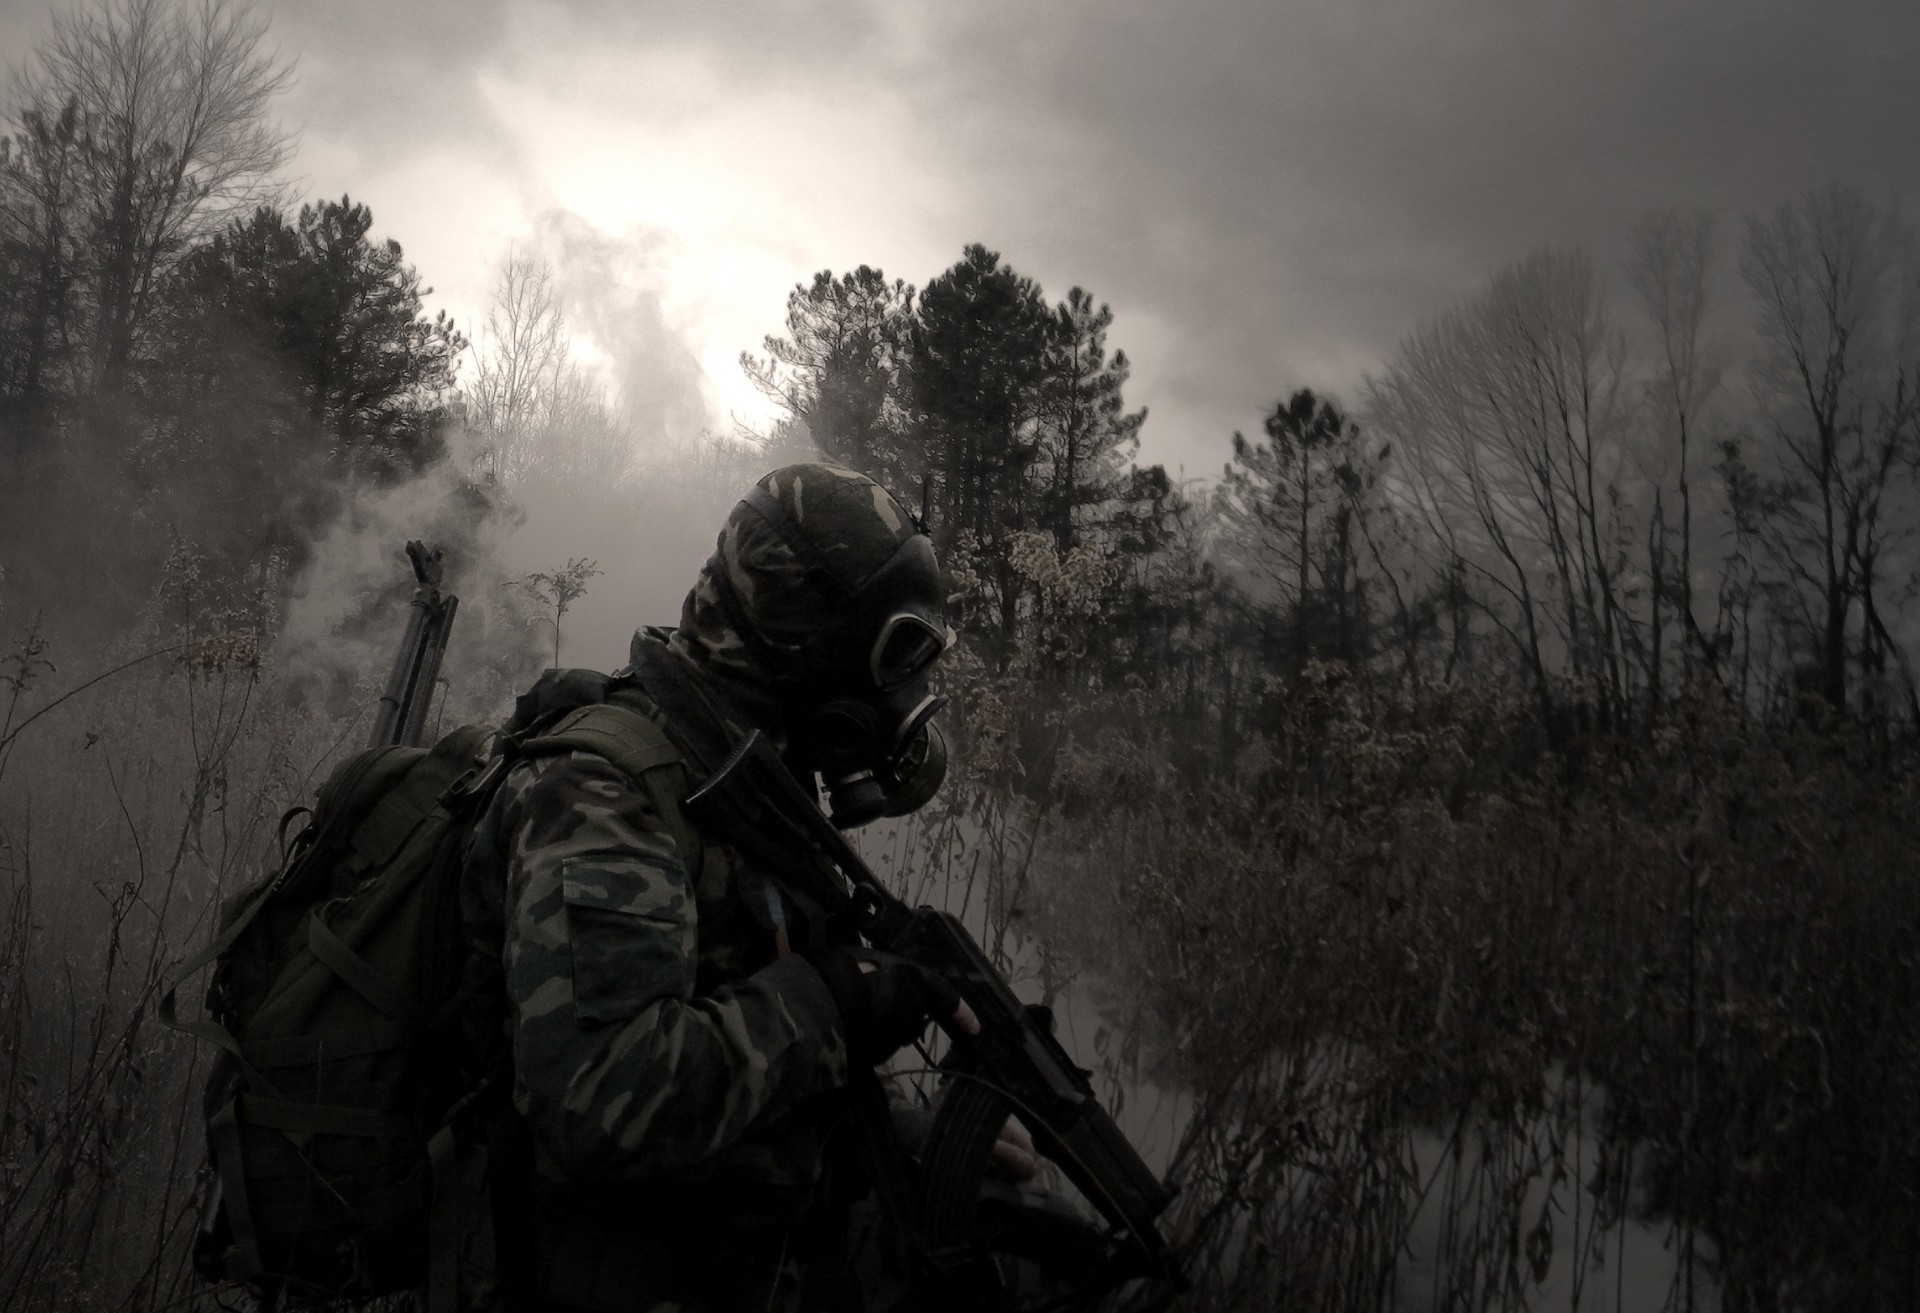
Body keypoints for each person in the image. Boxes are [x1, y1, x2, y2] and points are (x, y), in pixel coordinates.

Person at [459, 463, 1033, 1312]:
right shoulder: (604, 795)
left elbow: (736, 1020)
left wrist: (904, 1140)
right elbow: (600, 1099)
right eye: (891, 651)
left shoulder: (742, 777)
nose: (902, 692)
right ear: (801, 638)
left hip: (735, 1244)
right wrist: (834, 998)